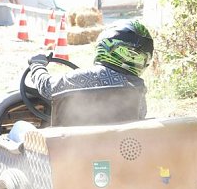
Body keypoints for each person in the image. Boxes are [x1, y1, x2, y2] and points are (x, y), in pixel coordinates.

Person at [17, 20, 154, 137]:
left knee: (19, 128)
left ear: (107, 46)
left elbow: (46, 86)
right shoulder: (137, 88)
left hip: (71, 152)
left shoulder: (81, 78)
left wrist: (37, 65)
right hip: (117, 150)